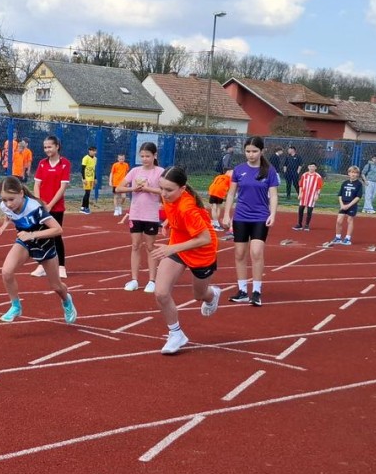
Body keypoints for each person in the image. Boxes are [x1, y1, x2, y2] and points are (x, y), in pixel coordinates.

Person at [151, 166, 220, 355]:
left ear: (182, 189)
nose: (163, 193)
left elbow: (205, 238)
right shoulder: (170, 197)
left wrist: (172, 248)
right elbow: (174, 213)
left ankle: (212, 295)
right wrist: (167, 223)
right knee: (161, 292)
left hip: (201, 252)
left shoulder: (187, 208)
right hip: (178, 247)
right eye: (161, 188)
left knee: (199, 295)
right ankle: (176, 334)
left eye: (169, 190)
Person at [0, 176, 77, 324]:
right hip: (25, 243)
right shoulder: (5, 206)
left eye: (11, 199)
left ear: (21, 193)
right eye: (4, 199)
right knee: (6, 272)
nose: (8, 204)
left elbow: (58, 229)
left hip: (44, 245)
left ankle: (67, 301)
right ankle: (16, 306)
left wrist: (32, 234)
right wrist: (5, 224)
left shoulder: (35, 208)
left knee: (56, 286)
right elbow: (9, 215)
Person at [222, 136, 279, 307]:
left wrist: (273, 214)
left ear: (262, 151)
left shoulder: (269, 171)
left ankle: (256, 291)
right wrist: (226, 214)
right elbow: (231, 194)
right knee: (239, 254)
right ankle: (242, 291)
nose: (251, 154)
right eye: (248, 151)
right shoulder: (238, 170)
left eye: (254, 151)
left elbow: (274, 195)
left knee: (256, 252)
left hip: (260, 217)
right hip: (240, 217)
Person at [114, 142, 165, 293]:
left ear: (154, 156)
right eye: (142, 156)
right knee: (135, 246)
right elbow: (118, 188)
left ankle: (152, 280)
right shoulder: (135, 171)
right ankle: (134, 279)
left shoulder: (160, 171)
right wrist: (132, 188)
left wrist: (147, 188)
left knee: (150, 247)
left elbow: (164, 191)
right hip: (136, 213)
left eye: (148, 156)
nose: (144, 159)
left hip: (151, 215)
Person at [31, 135, 72, 278]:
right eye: (45, 147)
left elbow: (62, 188)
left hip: (56, 207)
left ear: (57, 146)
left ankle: (61, 266)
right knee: (41, 236)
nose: (47, 149)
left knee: (56, 236)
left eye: (49, 147)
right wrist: (39, 202)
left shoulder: (65, 163)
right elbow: (37, 184)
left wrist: (50, 205)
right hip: (42, 206)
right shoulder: (42, 163)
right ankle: (42, 265)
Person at [330, 166, 363, 246]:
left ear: (358, 174)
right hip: (343, 204)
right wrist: (342, 204)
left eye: (355, 173)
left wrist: (348, 205)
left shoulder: (359, 184)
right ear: (348, 173)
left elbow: (358, 197)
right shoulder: (345, 183)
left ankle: (347, 238)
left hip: (352, 204)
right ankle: (338, 237)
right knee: (339, 221)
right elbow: (340, 195)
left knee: (349, 220)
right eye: (352, 172)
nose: (353, 174)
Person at [293, 162, 323, 231]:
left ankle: (307, 225)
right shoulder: (304, 175)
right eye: (310, 166)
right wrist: (300, 194)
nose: (311, 168)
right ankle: (299, 224)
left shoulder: (318, 176)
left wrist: (317, 195)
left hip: (312, 196)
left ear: (315, 168)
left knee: (309, 210)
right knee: (300, 209)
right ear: (308, 167)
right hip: (304, 195)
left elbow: (319, 187)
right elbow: (301, 185)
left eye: (313, 166)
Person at [80, 146, 98, 214]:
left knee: (88, 193)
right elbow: (82, 169)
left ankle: (82, 207)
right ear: (89, 151)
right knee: (87, 193)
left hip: (91, 178)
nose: (95, 152)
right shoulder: (85, 158)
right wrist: (84, 178)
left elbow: (93, 169)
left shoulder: (95, 159)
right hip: (86, 178)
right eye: (93, 151)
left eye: (95, 151)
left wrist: (95, 178)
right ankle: (86, 207)